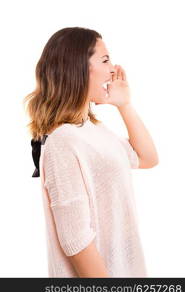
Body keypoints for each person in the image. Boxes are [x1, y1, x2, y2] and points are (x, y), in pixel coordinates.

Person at [24, 27, 159, 278]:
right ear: (78, 67)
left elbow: (148, 158)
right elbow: (76, 242)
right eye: (105, 60)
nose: (113, 69)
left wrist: (124, 105)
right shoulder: (62, 141)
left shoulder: (94, 130)